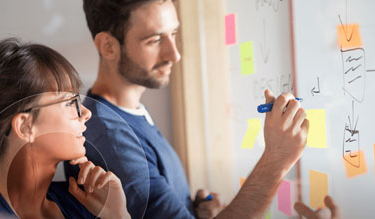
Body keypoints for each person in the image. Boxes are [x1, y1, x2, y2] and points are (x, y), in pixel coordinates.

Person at [64, 0, 340, 218]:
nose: (174, 54)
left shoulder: (127, 114)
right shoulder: (109, 137)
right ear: (108, 46)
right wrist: (277, 159)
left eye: (173, 34)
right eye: (155, 40)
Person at [0, 38, 130, 219]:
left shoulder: (87, 202)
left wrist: (119, 215)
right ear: (26, 126)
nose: (86, 113)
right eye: (70, 102)